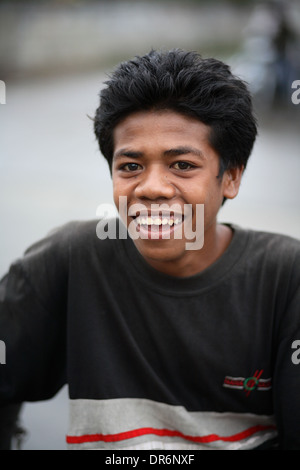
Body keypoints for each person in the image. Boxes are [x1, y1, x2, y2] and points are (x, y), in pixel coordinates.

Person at [0, 48, 299, 450]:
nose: (151, 188)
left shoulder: (286, 278)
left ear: (230, 177)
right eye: (130, 166)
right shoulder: (71, 259)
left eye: (182, 165)